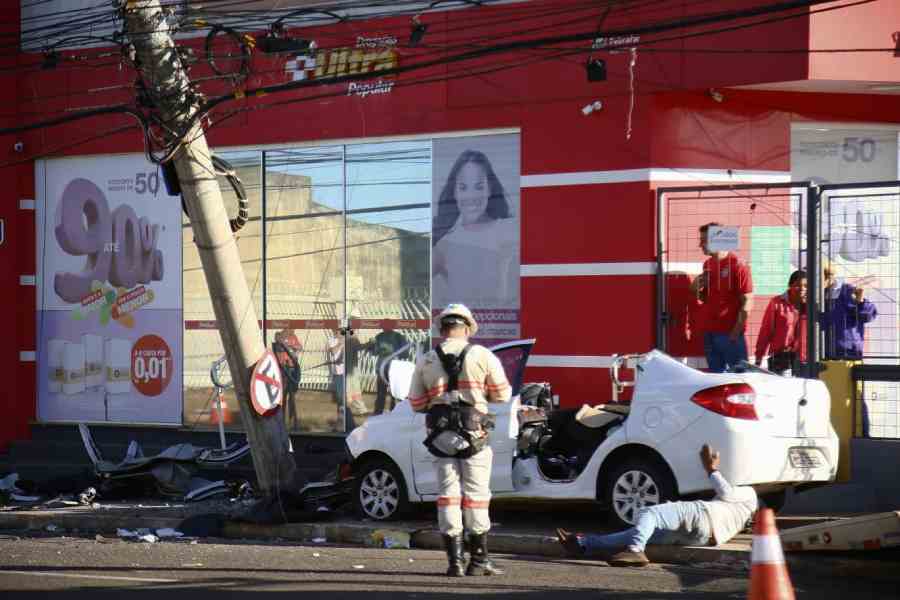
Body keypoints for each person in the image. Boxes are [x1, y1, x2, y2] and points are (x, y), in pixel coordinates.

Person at [408, 303, 512, 577]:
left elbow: (417, 404)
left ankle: (454, 562)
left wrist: (439, 397)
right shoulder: (482, 355)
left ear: (442, 329)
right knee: (476, 498)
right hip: (474, 437)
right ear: (466, 328)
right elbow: (502, 394)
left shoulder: (427, 360)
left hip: (440, 439)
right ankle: (479, 561)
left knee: (447, 497)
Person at [556, 444, 757, 567]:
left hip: (703, 516)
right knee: (639, 531)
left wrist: (711, 469)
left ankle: (636, 551)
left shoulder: (749, 493)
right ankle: (583, 544)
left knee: (650, 512)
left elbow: (726, 492)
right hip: (704, 538)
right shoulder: (741, 514)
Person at [432, 150, 519, 309]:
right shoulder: (446, 243)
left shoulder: (512, 230)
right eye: (463, 187)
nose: (471, 196)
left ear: (490, 190)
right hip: (460, 332)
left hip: (504, 330)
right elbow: (413, 281)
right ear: (455, 193)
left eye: (479, 187)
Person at [690, 222, 754, 372]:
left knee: (740, 379)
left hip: (730, 334)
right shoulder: (707, 264)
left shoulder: (738, 266)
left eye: (704, 240)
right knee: (717, 381)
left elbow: (748, 301)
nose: (700, 245)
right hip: (710, 334)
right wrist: (695, 289)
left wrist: (735, 332)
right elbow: (706, 298)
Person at [754, 270, 807, 375]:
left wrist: (806, 306)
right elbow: (766, 330)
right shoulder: (777, 303)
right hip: (781, 357)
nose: (802, 289)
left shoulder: (811, 305)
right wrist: (759, 357)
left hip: (804, 359)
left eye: (806, 286)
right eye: (797, 285)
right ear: (790, 286)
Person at [821, 266, 878, 360]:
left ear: (828, 276)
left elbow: (868, 315)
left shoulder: (847, 291)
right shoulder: (815, 293)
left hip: (846, 352)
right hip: (821, 351)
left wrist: (860, 301)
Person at [365, 327, 410, 415]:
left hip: (389, 369)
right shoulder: (385, 336)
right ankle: (388, 412)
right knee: (391, 393)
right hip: (389, 368)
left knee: (387, 393)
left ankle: (381, 412)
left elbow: (405, 353)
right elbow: (405, 354)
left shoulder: (395, 337)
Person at [273, 329, 302, 428]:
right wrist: (289, 348)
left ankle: (292, 419)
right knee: (283, 396)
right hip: (283, 371)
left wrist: (293, 349)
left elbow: (299, 348)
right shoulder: (278, 341)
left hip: (292, 370)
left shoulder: (293, 337)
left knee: (291, 396)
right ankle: (282, 420)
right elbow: (279, 348)